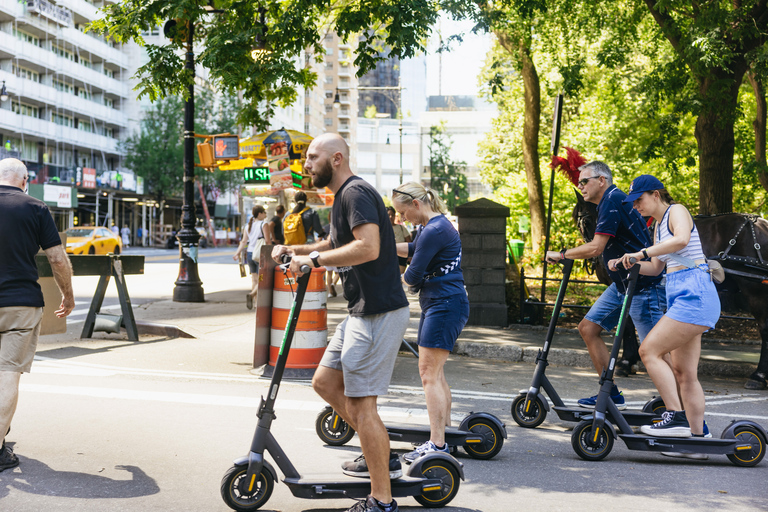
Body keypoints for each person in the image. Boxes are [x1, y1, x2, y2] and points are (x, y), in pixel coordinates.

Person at [272, 133, 409, 512]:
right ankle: (379, 451)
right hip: (359, 311)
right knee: (325, 382)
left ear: (335, 159)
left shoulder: (355, 193)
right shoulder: (339, 199)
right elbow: (333, 244)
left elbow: (370, 247)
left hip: (378, 312)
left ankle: (381, 499)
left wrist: (311, 263)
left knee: (362, 404)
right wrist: (294, 250)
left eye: (312, 157)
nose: (305, 163)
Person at [545, 161, 666, 409]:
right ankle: (609, 394)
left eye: (584, 181)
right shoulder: (611, 201)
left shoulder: (612, 200)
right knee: (588, 328)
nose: (580, 187)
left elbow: (595, 247)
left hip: (643, 287)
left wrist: (562, 253)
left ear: (602, 180)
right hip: (623, 284)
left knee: (655, 352)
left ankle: (681, 409)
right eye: (578, 182)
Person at [615, 175, 719, 447]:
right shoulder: (658, 227)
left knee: (648, 351)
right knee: (685, 373)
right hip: (682, 295)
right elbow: (657, 267)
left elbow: (682, 240)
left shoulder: (677, 211)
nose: (635, 206)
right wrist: (629, 263)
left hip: (694, 294)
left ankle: (676, 417)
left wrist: (642, 252)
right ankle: (698, 439)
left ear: (656, 195)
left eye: (639, 200)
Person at [0, 158, 74, 472]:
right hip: (20, 303)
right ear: (25, 180)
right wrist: (67, 295)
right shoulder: (36, 207)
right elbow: (57, 259)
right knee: (7, 373)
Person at [391, 182, 469, 462]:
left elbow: (412, 275)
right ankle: (443, 434)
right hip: (443, 302)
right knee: (435, 373)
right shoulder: (432, 227)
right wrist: (386, 246)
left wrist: (388, 277)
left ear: (415, 204)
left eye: (402, 213)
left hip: (444, 304)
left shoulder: (434, 230)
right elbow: (414, 247)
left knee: (428, 374)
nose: (401, 219)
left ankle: (437, 445)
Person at [233, 205, 270, 310]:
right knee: (262, 279)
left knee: (254, 279)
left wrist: (237, 253)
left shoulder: (247, 226)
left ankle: (255, 303)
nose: (265, 215)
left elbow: (243, 241)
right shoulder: (264, 224)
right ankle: (253, 295)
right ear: (259, 214)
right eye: (264, 213)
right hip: (260, 254)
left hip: (249, 253)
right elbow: (267, 241)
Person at [386, 206, 412, 274]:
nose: (391, 217)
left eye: (392, 215)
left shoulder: (401, 228)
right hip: (388, 256)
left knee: (399, 276)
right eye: (388, 215)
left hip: (401, 257)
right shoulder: (382, 229)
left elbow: (409, 242)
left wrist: (410, 257)